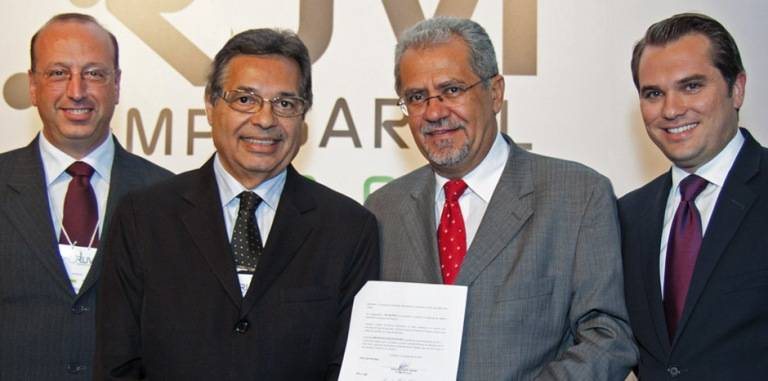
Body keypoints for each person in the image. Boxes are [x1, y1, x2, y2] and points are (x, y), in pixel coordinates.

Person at [94, 28, 379, 380]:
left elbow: (349, 367)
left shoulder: (348, 228)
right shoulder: (144, 217)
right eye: (245, 99)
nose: (264, 119)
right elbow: (118, 361)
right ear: (211, 107)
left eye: (285, 103)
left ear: (303, 117)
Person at [365, 16, 636, 380]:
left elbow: (607, 337)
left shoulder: (578, 195)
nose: (434, 112)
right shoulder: (383, 210)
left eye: (452, 90)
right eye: (417, 97)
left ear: (495, 93)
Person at [0, 13, 171, 381]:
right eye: (58, 73)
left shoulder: (169, 200)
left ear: (117, 85)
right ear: (32, 86)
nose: (76, 91)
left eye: (94, 73)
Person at [620, 13, 768, 380]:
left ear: (737, 89)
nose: (671, 110)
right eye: (653, 93)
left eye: (691, 86)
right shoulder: (627, 215)